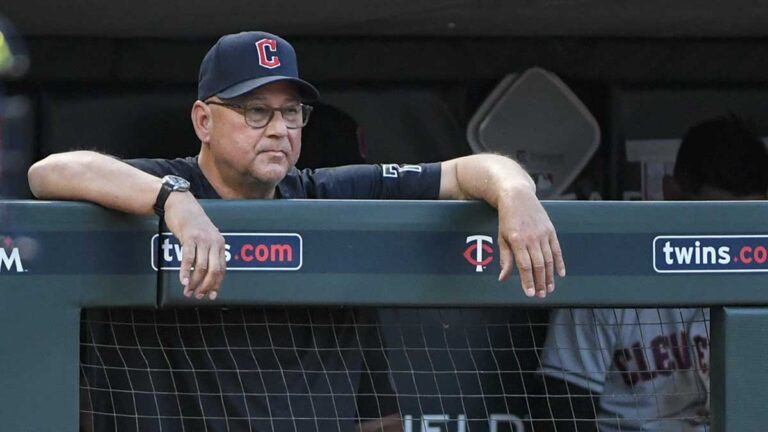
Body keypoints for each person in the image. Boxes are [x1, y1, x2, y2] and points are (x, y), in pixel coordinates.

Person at [28, 31, 565, 431]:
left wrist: (515, 193)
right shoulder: (166, 182)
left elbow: (461, 171)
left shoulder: (322, 192)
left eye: (292, 113)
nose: (280, 129)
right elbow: (50, 171)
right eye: (256, 111)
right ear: (203, 121)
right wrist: (175, 201)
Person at [535, 114, 768, 431]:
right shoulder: (610, 276)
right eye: (718, 217)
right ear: (672, 193)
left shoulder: (758, 282)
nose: (731, 239)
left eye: (749, 221)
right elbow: (563, 411)